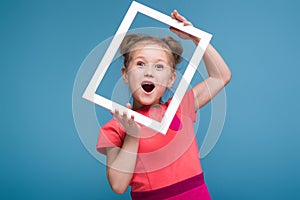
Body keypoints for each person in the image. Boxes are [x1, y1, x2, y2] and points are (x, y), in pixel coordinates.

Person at [96, 10, 231, 200]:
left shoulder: (180, 107)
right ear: (125, 74)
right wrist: (132, 136)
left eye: (159, 66)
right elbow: (118, 185)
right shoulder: (115, 128)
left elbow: (221, 76)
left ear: (171, 79)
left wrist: (196, 37)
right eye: (141, 64)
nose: (149, 72)